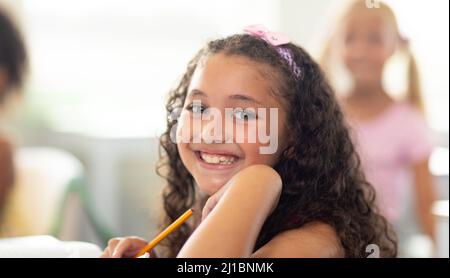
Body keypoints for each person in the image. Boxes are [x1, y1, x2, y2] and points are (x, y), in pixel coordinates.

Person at [101, 25, 396, 258]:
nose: (211, 131)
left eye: (242, 114)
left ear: (295, 135)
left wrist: (258, 181)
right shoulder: (210, 208)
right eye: (199, 108)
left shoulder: (314, 242)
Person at [320, 1, 436, 244]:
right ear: (335, 46)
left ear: (394, 46)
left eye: (374, 39)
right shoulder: (323, 113)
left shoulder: (409, 121)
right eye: (350, 38)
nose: (361, 50)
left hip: (383, 239)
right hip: (326, 234)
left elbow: (426, 204)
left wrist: (437, 247)